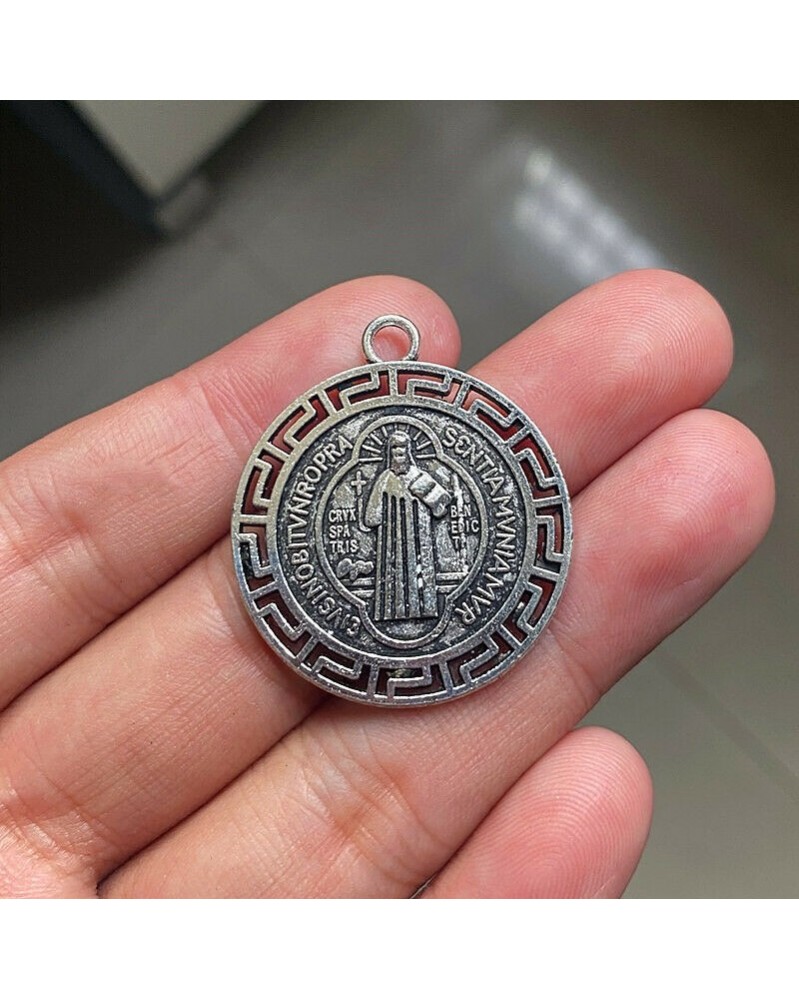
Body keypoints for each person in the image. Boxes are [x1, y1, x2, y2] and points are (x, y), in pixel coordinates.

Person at [0, 272, 774, 898]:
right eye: (392, 448)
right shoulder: (374, 479)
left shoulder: (429, 473)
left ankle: (414, 610)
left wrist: (432, 504)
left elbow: (446, 509)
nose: (399, 453)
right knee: (396, 587)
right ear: (381, 449)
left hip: (423, 567)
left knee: (422, 588)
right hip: (386, 569)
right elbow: (366, 518)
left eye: (406, 447)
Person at [364, 429, 450, 622]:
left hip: (419, 541)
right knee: (391, 579)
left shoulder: (420, 477)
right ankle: (391, 613)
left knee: (421, 574)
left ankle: (425, 610)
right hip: (391, 545)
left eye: (402, 448)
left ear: (409, 451)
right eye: (395, 448)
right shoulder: (384, 479)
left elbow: (441, 507)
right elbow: (371, 518)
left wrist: (426, 496)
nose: (398, 453)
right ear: (390, 453)